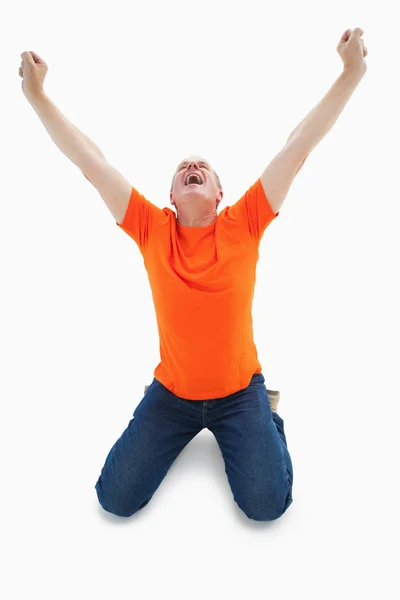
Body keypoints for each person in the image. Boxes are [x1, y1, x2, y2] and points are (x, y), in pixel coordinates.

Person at [19, 28, 367, 521]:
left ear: (220, 193)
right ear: (172, 197)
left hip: (239, 394)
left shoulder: (245, 221)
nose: (192, 166)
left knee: (267, 507)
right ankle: (171, 413)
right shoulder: (150, 227)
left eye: (203, 166)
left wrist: (351, 74)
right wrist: (37, 96)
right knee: (114, 500)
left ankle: (269, 418)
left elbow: (299, 144)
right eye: (184, 167)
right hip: (173, 395)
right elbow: (90, 160)